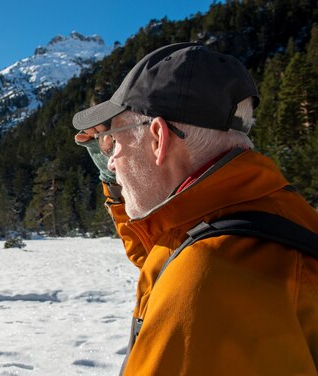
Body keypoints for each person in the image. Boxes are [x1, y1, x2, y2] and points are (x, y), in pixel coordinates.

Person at [72, 42, 318, 375]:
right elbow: (165, 252)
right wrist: (111, 175)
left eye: (114, 140)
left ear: (158, 138)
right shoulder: (277, 216)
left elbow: (185, 270)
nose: (112, 162)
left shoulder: (201, 286)